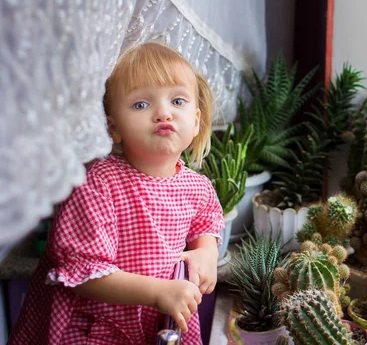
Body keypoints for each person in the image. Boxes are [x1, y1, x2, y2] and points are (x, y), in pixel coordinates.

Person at [9, 42, 225, 344]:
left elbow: (206, 222)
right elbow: (85, 273)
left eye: (177, 101)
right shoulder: (100, 183)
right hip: (100, 327)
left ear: (196, 121)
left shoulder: (197, 187)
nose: (164, 113)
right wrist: (159, 292)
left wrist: (206, 252)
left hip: (162, 324)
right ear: (113, 128)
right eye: (141, 104)